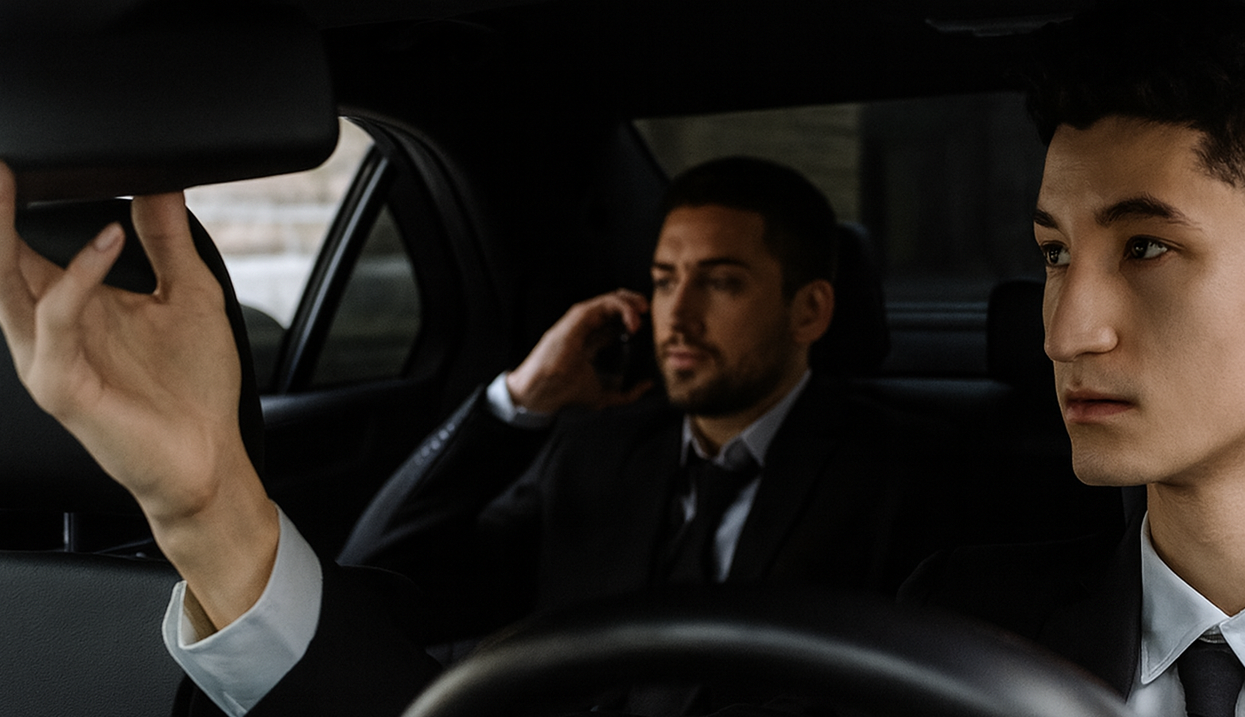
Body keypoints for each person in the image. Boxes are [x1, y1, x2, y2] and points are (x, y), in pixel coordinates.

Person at [0, 0, 1245, 717]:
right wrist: (205, 502)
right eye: (1052, 254)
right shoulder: (958, 648)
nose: (1069, 323)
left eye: (1147, 249)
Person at [331, 156, 959, 663]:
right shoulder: (593, 454)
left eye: (720, 282)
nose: (678, 317)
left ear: (810, 311)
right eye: (663, 281)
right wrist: (522, 399)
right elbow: (377, 583)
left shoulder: (903, 478)